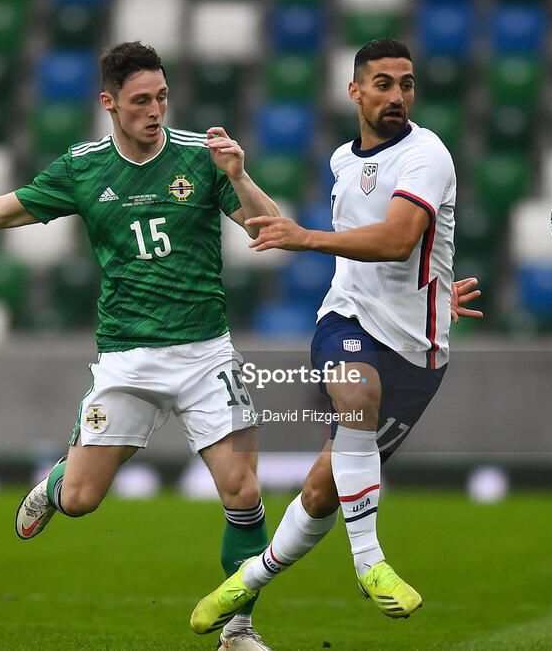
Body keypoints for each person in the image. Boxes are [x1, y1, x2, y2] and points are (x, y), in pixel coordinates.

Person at [0, 41, 280, 651]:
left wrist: (240, 175)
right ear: (108, 103)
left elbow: (271, 230)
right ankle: (52, 486)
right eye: (139, 101)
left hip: (205, 352)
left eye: (161, 96)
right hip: (127, 359)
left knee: (243, 490)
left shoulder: (203, 157)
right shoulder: (82, 168)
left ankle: (239, 629)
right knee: (80, 500)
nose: (154, 110)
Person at [190, 38, 482, 635]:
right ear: (355, 92)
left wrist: (432, 288)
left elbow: (401, 241)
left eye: (406, 84)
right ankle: (370, 563)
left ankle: (247, 582)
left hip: (418, 350)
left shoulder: (429, 155)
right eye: (382, 84)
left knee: (324, 491)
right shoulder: (341, 161)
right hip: (345, 320)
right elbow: (378, 246)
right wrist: (304, 236)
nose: (396, 95)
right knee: (355, 397)